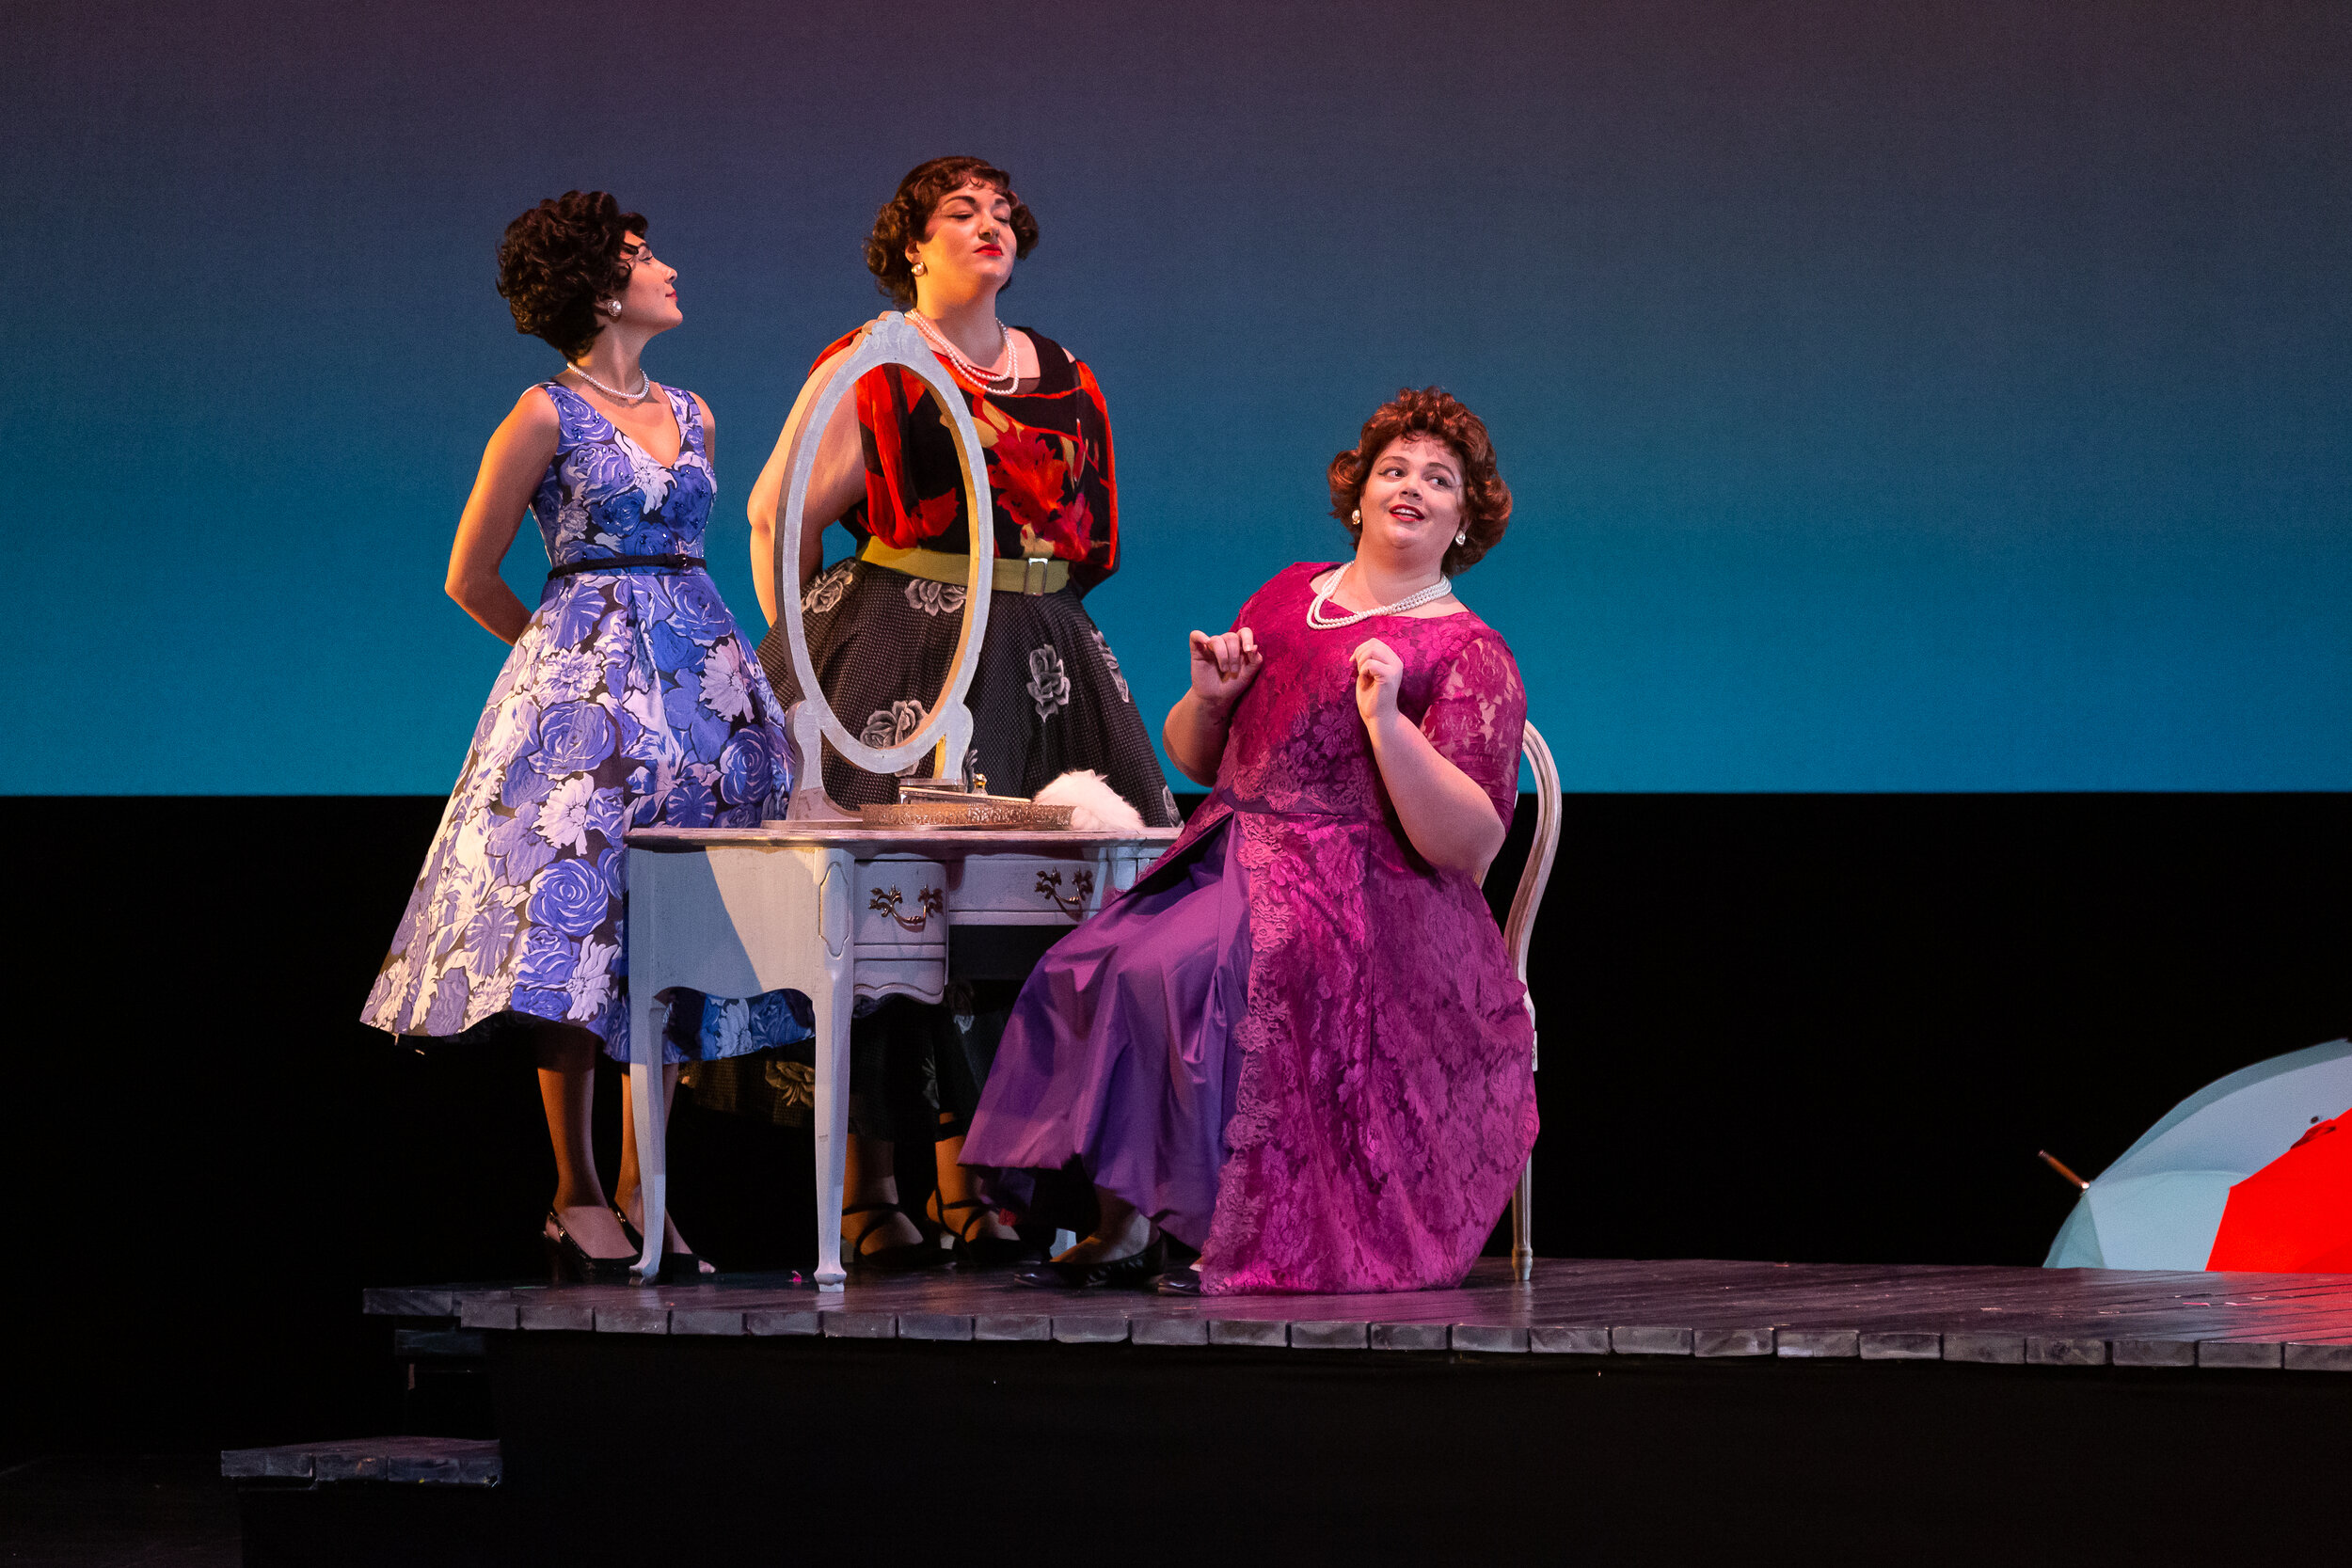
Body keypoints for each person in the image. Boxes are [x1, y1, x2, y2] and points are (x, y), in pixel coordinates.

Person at [689, 156, 1177, 1272]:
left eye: (1002, 211)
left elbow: (1087, 538)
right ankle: (874, 1191)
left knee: (1032, 924)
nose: (988, 224)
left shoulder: (1063, 371)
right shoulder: (875, 363)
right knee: (888, 923)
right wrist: (811, 672)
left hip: (1040, 656)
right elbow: (774, 512)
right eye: (960, 211)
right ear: (911, 242)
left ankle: (986, 1176)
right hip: (905, 648)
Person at [962, 387, 1538, 1293]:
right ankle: (1123, 1219)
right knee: (1094, 962)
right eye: (1394, 469)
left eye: (1439, 478)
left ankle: (1203, 1226)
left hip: (1366, 891)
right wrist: (1210, 697)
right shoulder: (1285, 596)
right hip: (1229, 849)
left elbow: (1466, 847)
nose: (1412, 486)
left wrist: (1388, 723)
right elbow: (1197, 753)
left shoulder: (1470, 652)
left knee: (1188, 975)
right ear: (1358, 493)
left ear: (1465, 520)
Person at [362, 191, 804, 1281]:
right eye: (644, 256)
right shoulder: (542, 415)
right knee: (578, 943)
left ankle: (653, 1185)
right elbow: (469, 572)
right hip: (584, 716)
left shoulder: (695, 411)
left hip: (701, 695)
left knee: (683, 939)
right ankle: (577, 1191)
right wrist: (558, 662)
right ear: (603, 290)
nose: (665, 269)